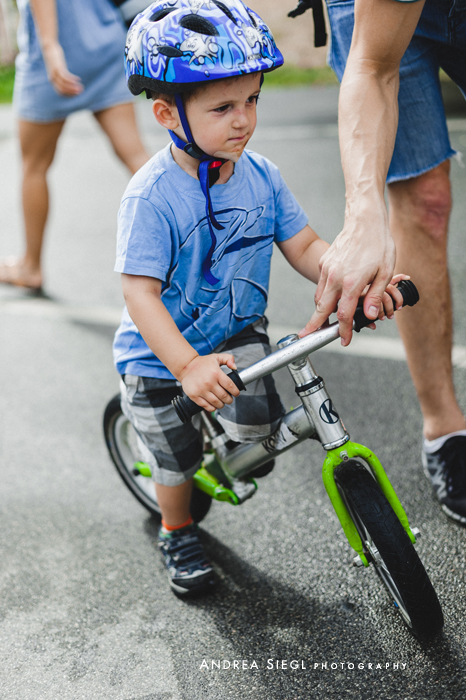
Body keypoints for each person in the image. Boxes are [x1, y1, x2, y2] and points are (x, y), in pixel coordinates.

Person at [112, 0, 407, 596]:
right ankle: (176, 529)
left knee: (260, 440)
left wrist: (355, 280)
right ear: (169, 114)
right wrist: (186, 365)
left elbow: (303, 245)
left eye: (252, 101)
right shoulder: (150, 198)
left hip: (237, 335)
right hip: (161, 359)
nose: (244, 120)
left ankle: (225, 446)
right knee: (175, 464)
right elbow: (139, 294)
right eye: (223, 108)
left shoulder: (262, 175)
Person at [296, 0, 466, 525]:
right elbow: (373, 68)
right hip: (378, 15)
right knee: (424, 202)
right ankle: (445, 429)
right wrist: (364, 218)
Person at [0, 0, 150, 293]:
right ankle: (200, 235)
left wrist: (51, 47)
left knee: (34, 166)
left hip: (55, 56)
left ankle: (30, 266)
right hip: (104, 40)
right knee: (136, 156)